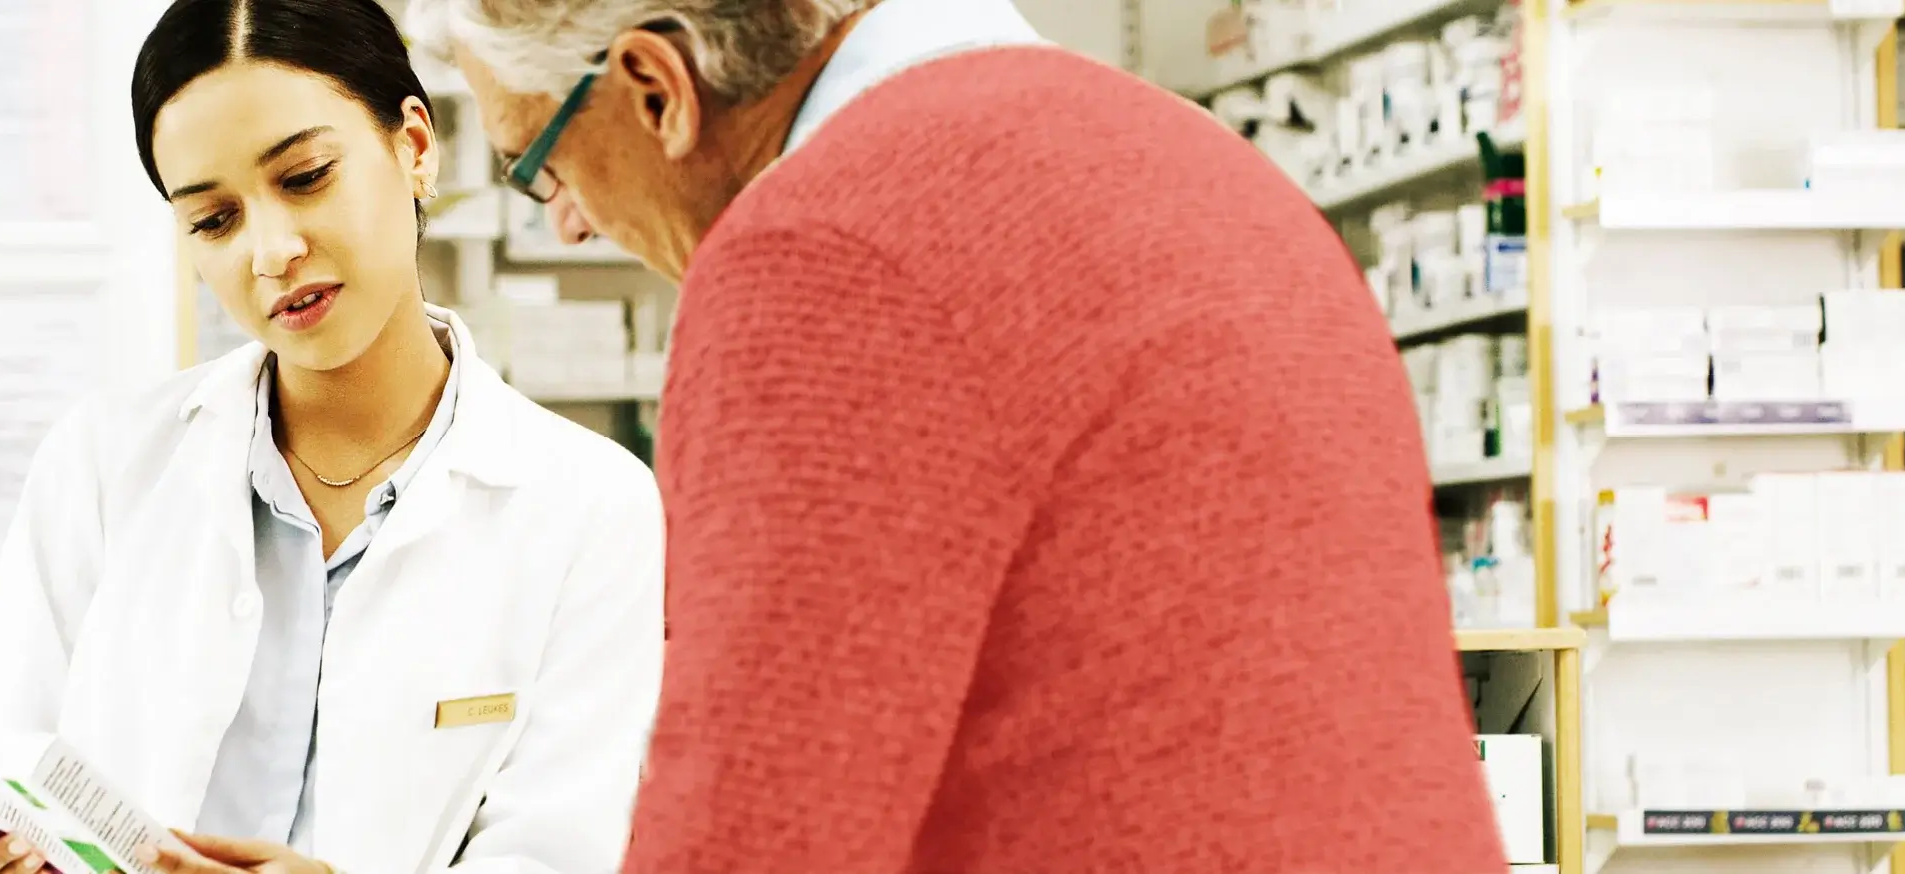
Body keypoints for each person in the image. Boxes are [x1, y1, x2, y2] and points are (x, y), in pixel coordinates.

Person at [408, 0, 1511, 871]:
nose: (568, 219)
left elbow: (758, 832)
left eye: (539, 160)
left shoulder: (820, 250)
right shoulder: (1202, 161)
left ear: (655, 87)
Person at [0, 2, 664, 873]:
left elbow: (559, 853)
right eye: (214, 221)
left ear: (414, 146)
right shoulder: (105, 465)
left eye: (304, 177)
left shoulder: (589, 506)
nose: (270, 251)